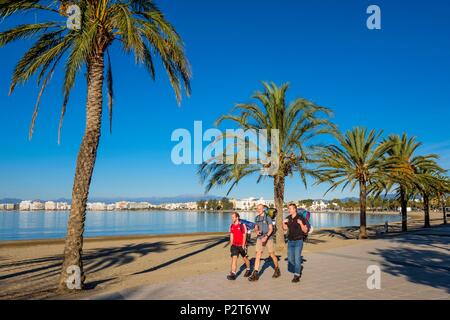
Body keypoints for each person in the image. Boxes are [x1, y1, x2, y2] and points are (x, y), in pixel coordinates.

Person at [248, 204, 280, 281]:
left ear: (263, 209)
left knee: (271, 254)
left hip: (268, 238)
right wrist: (257, 231)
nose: (258, 210)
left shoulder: (267, 217)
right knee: (258, 254)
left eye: (260, 209)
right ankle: (255, 273)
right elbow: (256, 227)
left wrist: (266, 237)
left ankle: (277, 269)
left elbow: (271, 229)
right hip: (259, 238)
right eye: (257, 209)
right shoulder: (257, 218)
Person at [283, 203, 309, 283]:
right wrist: (283, 222)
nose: (289, 210)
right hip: (290, 241)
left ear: (295, 209)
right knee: (290, 259)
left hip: (298, 240)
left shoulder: (301, 217)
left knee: (297, 258)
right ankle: (298, 267)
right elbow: (285, 229)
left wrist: (301, 223)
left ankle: (297, 275)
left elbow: (305, 230)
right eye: (288, 209)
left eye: (290, 209)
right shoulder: (288, 218)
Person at [227, 212, 252, 280]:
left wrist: (243, 245)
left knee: (245, 258)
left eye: (233, 217)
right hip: (235, 245)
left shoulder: (242, 225)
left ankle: (248, 269)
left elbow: (244, 235)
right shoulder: (232, 226)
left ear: (237, 217)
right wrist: (231, 245)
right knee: (234, 258)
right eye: (231, 217)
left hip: (242, 245)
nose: (232, 218)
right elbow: (231, 235)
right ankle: (233, 274)